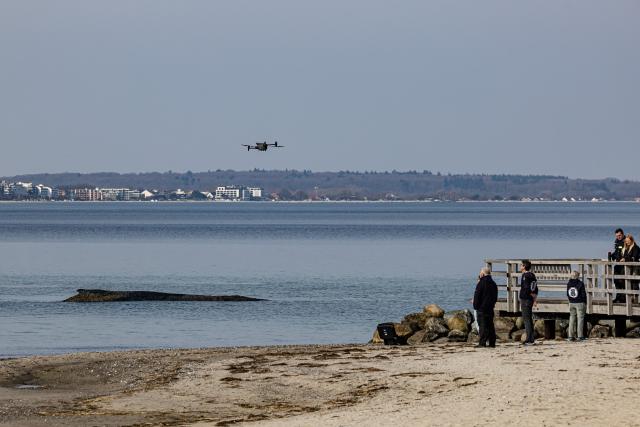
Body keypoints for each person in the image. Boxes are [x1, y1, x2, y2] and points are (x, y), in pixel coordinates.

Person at [473, 266, 498, 348]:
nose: (480, 274)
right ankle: (492, 342)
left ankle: (482, 343)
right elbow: (495, 296)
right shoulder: (493, 283)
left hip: (482, 308)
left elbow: (477, 296)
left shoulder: (481, 283)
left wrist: (475, 306)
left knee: (482, 326)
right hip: (490, 307)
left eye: (480, 272)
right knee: (490, 325)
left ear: (483, 273)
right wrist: (493, 304)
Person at [519, 259, 538, 346]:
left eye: (521, 265)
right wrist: (534, 297)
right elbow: (535, 288)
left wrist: (527, 295)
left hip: (526, 299)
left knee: (527, 319)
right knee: (529, 319)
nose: (520, 267)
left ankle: (529, 339)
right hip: (530, 299)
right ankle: (531, 338)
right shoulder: (532, 275)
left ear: (524, 266)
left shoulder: (525, 276)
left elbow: (527, 288)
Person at [566, 271, 587, 341]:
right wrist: (584, 302)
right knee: (580, 319)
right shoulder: (580, 283)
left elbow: (568, 294)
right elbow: (583, 294)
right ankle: (580, 336)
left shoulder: (569, 284)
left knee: (572, 319)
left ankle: (570, 336)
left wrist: (570, 300)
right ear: (578, 276)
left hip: (571, 302)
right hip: (580, 303)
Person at [620, 234, 640, 303]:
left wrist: (625, 259)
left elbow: (634, 257)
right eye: (626, 241)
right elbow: (624, 256)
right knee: (626, 282)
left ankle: (636, 299)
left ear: (632, 240)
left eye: (628, 241)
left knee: (635, 283)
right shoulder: (626, 248)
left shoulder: (636, 248)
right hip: (627, 268)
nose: (627, 242)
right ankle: (629, 298)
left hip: (635, 268)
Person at [611, 228, 626, 303]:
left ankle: (624, 298)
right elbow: (617, 252)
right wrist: (612, 256)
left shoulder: (626, 241)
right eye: (617, 236)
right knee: (616, 280)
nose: (618, 237)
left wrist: (625, 258)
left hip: (624, 265)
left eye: (619, 235)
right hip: (617, 264)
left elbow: (630, 252)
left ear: (622, 234)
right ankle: (618, 297)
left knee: (623, 281)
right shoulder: (616, 241)